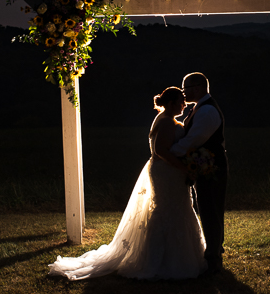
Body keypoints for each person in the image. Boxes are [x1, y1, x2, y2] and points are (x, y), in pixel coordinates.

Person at [48, 87, 207, 281]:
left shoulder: (166, 120)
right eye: (181, 101)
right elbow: (161, 152)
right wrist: (184, 168)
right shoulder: (166, 122)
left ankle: (172, 257)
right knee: (170, 212)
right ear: (172, 103)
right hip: (167, 174)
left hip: (168, 173)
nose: (184, 104)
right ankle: (165, 261)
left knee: (174, 210)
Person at [170, 72, 228, 274]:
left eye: (186, 89)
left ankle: (213, 255)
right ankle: (214, 250)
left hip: (211, 167)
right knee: (207, 208)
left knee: (211, 209)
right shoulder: (199, 108)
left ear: (199, 87)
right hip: (204, 166)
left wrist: (169, 154)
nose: (184, 94)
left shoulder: (207, 111)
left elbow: (193, 140)